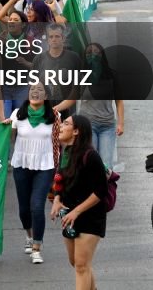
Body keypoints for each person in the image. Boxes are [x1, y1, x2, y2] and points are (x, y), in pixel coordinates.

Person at [50, 114, 107, 290]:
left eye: (65, 123)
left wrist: (77, 211)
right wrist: (57, 200)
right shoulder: (66, 152)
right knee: (76, 262)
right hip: (69, 215)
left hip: (90, 216)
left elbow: (100, 191)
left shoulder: (91, 156)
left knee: (82, 266)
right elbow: (61, 181)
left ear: (76, 131)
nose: (60, 126)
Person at [4, 83, 56, 265]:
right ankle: (29, 234)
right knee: (24, 208)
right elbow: (7, 137)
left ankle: (37, 247)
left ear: (46, 96)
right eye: (32, 90)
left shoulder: (54, 116)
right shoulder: (17, 114)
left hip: (45, 166)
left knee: (37, 206)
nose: (35, 93)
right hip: (21, 164)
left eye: (40, 90)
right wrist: (4, 127)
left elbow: (61, 142)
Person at [78, 43, 124, 169]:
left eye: (96, 53)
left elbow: (119, 101)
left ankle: (104, 188)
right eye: (89, 54)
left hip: (107, 125)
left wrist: (121, 123)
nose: (93, 56)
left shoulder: (112, 75)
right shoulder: (81, 76)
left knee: (106, 165)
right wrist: (56, 108)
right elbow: (71, 98)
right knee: (90, 163)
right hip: (88, 125)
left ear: (102, 55)